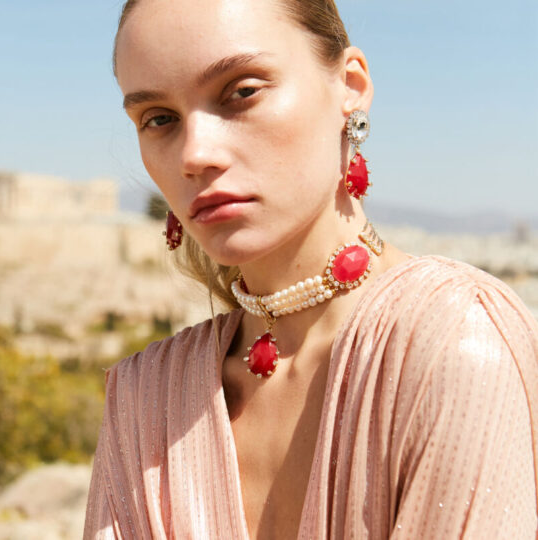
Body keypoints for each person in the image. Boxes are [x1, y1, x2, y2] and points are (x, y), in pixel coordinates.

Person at [84, 0, 538, 538]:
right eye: (159, 119)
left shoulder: (453, 342)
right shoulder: (143, 398)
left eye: (242, 92)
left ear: (350, 86)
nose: (195, 155)